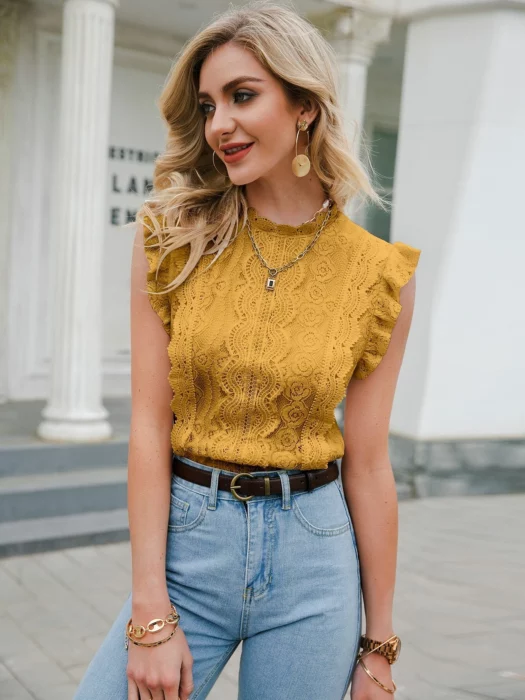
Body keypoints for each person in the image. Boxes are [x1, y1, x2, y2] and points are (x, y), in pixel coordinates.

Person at [74, 2, 420, 699]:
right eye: (208, 105)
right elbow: (147, 425)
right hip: (188, 546)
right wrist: (149, 610)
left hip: (315, 563)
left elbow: (370, 461)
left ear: (303, 106)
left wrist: (377, 646)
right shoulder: (170, 240)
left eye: (242, 96)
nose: (218, 124)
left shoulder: (379, 275)